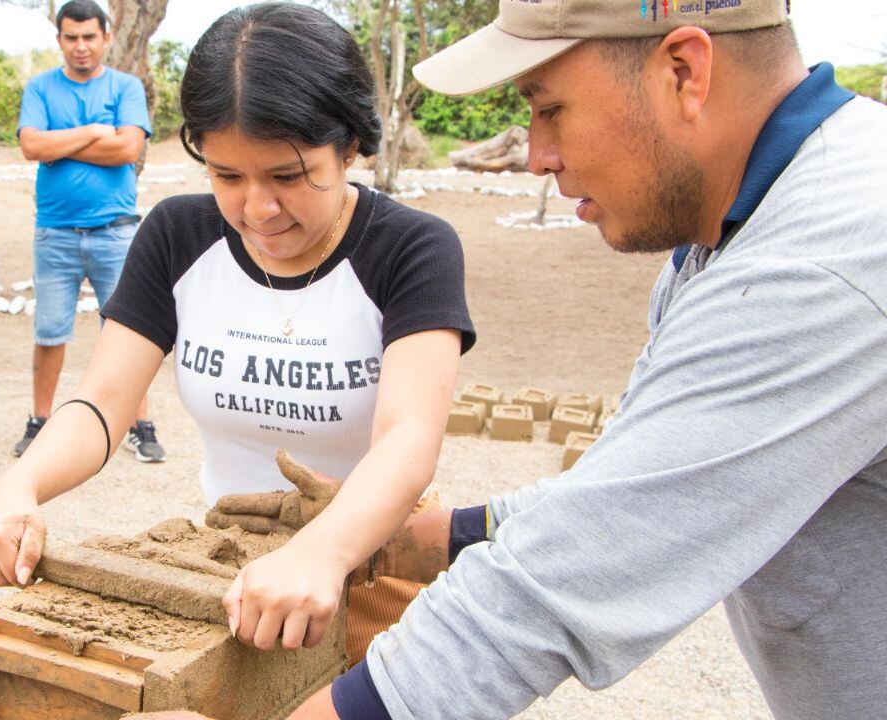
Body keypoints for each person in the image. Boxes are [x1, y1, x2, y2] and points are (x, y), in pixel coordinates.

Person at [241, 1, 884, 718]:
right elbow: (623, 482)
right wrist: (422, 538)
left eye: (549, 108)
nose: (538, 155)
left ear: (685, 71)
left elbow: (550, 591)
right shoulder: (732, 236)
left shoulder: (822, 262)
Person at [0, 2, 476, 665]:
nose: (257, 208)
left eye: (289, 176)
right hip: (228, 560)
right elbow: (103, 405)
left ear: (349, 145)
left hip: (375, 558)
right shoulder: (178, 236)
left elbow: (409, 437)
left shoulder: (411, 249)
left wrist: (321, 552)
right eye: (228, 175)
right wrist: (18, 487)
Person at [13, 0, 166, 463]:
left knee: (131, 331)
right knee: (50, 331)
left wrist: (63, 143)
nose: (80, 46)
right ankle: (39, 421)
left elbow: (127, 149)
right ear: (59, 39)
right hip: (55, 232)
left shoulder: (126, 86)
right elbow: (31, 145)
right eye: (71, 37)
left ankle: (140, 425)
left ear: (105, 37)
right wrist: (97, 130)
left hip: (115, 232)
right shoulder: (40, 87)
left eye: (89, 37)